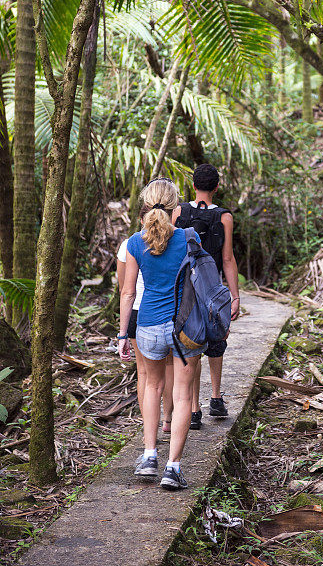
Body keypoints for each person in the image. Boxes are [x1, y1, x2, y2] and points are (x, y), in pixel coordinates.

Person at [118, 177, 205, 490]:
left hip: (149, 326)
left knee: (151, 387)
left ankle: (149, 456)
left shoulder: (133, 242)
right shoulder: (189, 238)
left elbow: (128, 293)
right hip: (185, 329)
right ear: (177, 210)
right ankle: (173, 468)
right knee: (182, 395)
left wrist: (121, 335)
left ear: (145, 208)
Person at [173, 163, 240, 430]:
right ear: (216, 187)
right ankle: (216, 397)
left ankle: (194, 409)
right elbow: (227, 258)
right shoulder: (224, 217)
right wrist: (234, 296)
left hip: (186, 287)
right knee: (216, 337)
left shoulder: (179, 211)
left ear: (193, 185)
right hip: (212, 288)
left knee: (192, 342)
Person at [117, 239, 174, 432]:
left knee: (143, 372)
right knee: (168, 366)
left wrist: (121, 332)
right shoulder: (173, 239)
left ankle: (148, 427)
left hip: (136, 310)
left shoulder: (129, 244)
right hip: (166, 311)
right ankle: (167, 420)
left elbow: (123, 287)